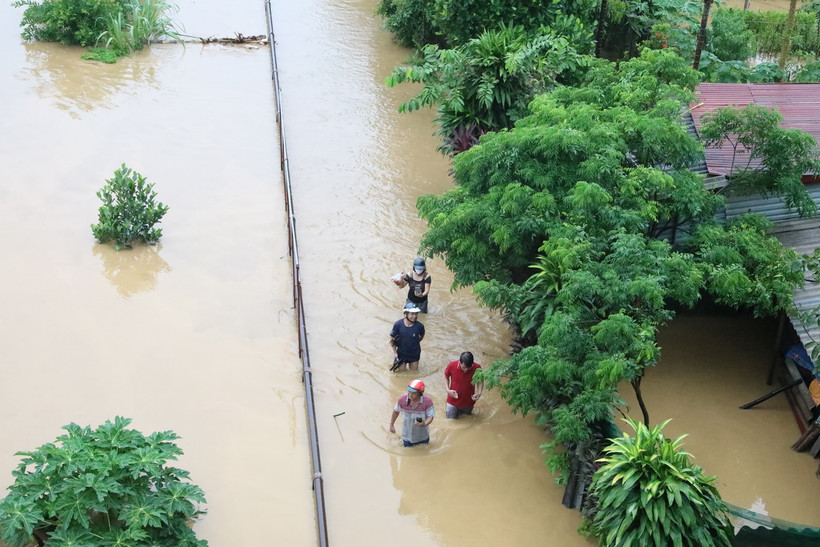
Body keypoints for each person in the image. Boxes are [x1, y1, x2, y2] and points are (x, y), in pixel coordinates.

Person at [390, 379, 435, 446]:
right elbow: (396, 411)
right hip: (407, 437)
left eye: (413, 393)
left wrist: (424, 423)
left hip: (422, 436)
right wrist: (391, 425)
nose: (410, 395)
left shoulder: (427, 401)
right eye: (409, 392)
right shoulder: (402, 399)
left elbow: (431, 416)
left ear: (420, 393)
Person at [443, 351, 484, 419]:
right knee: (451, 422)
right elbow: (446, 376)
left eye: (469, 368)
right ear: (460, 362)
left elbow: (480, 381)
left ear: (472, 364)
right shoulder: (452, 365)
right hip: (452, 402)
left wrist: (479, 393)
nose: (466, 370)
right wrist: (447, 390)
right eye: (464, 367)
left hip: (468, 403)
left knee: (467, 420)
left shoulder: (477, 368)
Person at [389, 304, 425, 371]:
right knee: (401, 373)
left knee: (414, 373)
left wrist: (413, 342)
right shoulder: (398, 325)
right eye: (412, 314)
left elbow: (421, 336)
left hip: (414, 354)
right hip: (401, 354)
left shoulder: (420, 326)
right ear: (406, 314)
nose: (414, 316)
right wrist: (395, 352)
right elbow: (392, 339)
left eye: (416, 314)